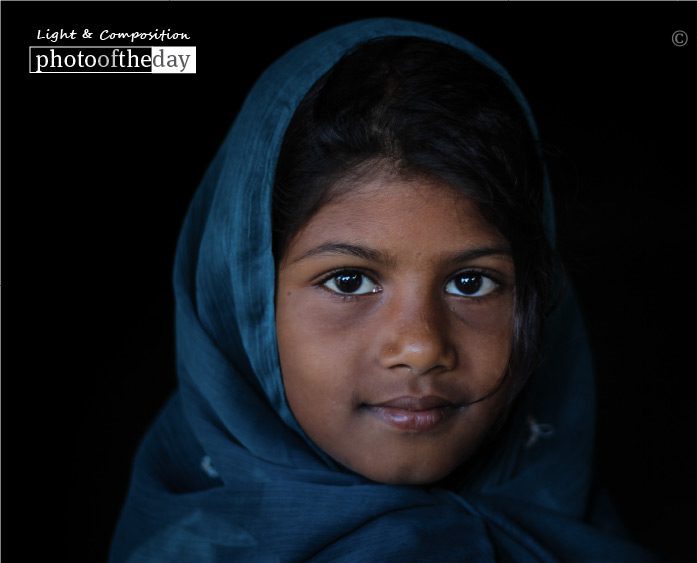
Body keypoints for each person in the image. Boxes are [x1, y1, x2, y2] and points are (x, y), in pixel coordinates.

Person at [109, 18, 656, 562]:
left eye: (472, 282)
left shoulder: (572, 534)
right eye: (349, 281)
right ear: (243, 306)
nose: (420, 347)